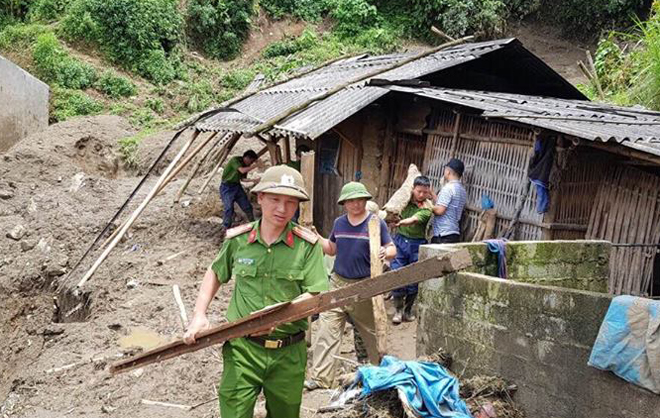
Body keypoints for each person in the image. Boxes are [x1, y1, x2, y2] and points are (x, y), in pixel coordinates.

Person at [184, 165, 329, 418]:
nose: (282, 209)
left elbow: (315, 296)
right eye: (275, 199)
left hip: (288, 353)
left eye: (291, 202)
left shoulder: (307, 246)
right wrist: (199, 314)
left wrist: (275, 315)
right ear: (260, 197)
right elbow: (216, 272)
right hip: (242, 350)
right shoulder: (238, 240)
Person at [305, 182, 396, 390]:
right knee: (326, 330)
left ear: (366, 200)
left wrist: (385, 252)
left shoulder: (375, 223)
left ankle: (379, 372)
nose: (356, 204)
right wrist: (316, 237)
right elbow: (331, 249)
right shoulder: (339, 223)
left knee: (371, 333)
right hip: (337, 283)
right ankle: (321, 378)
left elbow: (392, 248)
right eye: (351, 200)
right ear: (344, 203)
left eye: (360, 199)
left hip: (364, 286)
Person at [390, 176, 433, 324]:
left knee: (414, 278)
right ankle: (398, 310)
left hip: (417, 245)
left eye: (425, 192)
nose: (421, 195)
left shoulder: (427, 209)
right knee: (397, 273)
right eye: (419, 191)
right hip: (400, 242)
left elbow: (414, 219)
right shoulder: (403, 202)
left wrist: (400, 223)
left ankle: (407, 311)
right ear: (413, 189)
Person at [220, 150, 260, 230]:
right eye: (251, 161)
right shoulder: (235, 160)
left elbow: (242, 179)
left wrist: (253, 180)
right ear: (247, 158)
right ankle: (225, 226)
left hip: (236, 186)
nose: (251, 164)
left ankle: (252, 223)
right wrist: (256, 166)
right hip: (227, 187)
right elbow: (242, 170)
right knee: (229, 208)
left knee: (247, 206)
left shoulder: (244, 165)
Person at [431, 158, 467, 244]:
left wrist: (426, 207)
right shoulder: (462, 190)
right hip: (453, 232)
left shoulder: (448, 188)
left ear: (448, 172)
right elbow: (444, 205)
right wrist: (432, 193)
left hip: (443, 234)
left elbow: (440, 211)